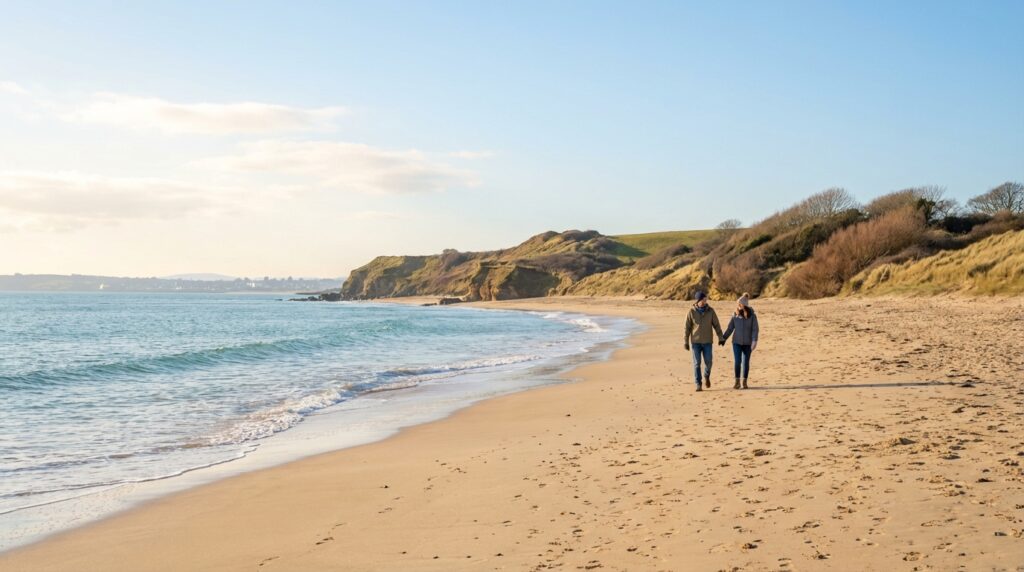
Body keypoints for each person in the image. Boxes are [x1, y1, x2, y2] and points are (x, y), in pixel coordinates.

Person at [684, 291, 724, 391]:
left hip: (707, 342)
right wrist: (685, 341)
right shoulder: (691, 311)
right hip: (695, 342)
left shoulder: (711, 311)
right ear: (698, 300)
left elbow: (716, 325)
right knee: (697, 364)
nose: (705, 301)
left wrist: (721, 337)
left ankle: (706, 375)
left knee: (709, 362)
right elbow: (687, 328)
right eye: (703, 300)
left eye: (705, 299)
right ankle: (698, 384)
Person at [722, 293, 759, 389]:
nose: (738, 306)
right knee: (737, 361)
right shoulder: (735, 315)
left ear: (745, 305)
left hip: (748, 343)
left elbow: (755, 329)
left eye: (740, 304)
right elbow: (730, 328)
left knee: (746, 362)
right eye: (738, 304)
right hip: (736, 342)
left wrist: (754, 340)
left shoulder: (752, 316)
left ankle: (745, 382)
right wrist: (724, 338)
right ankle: (737, 382)